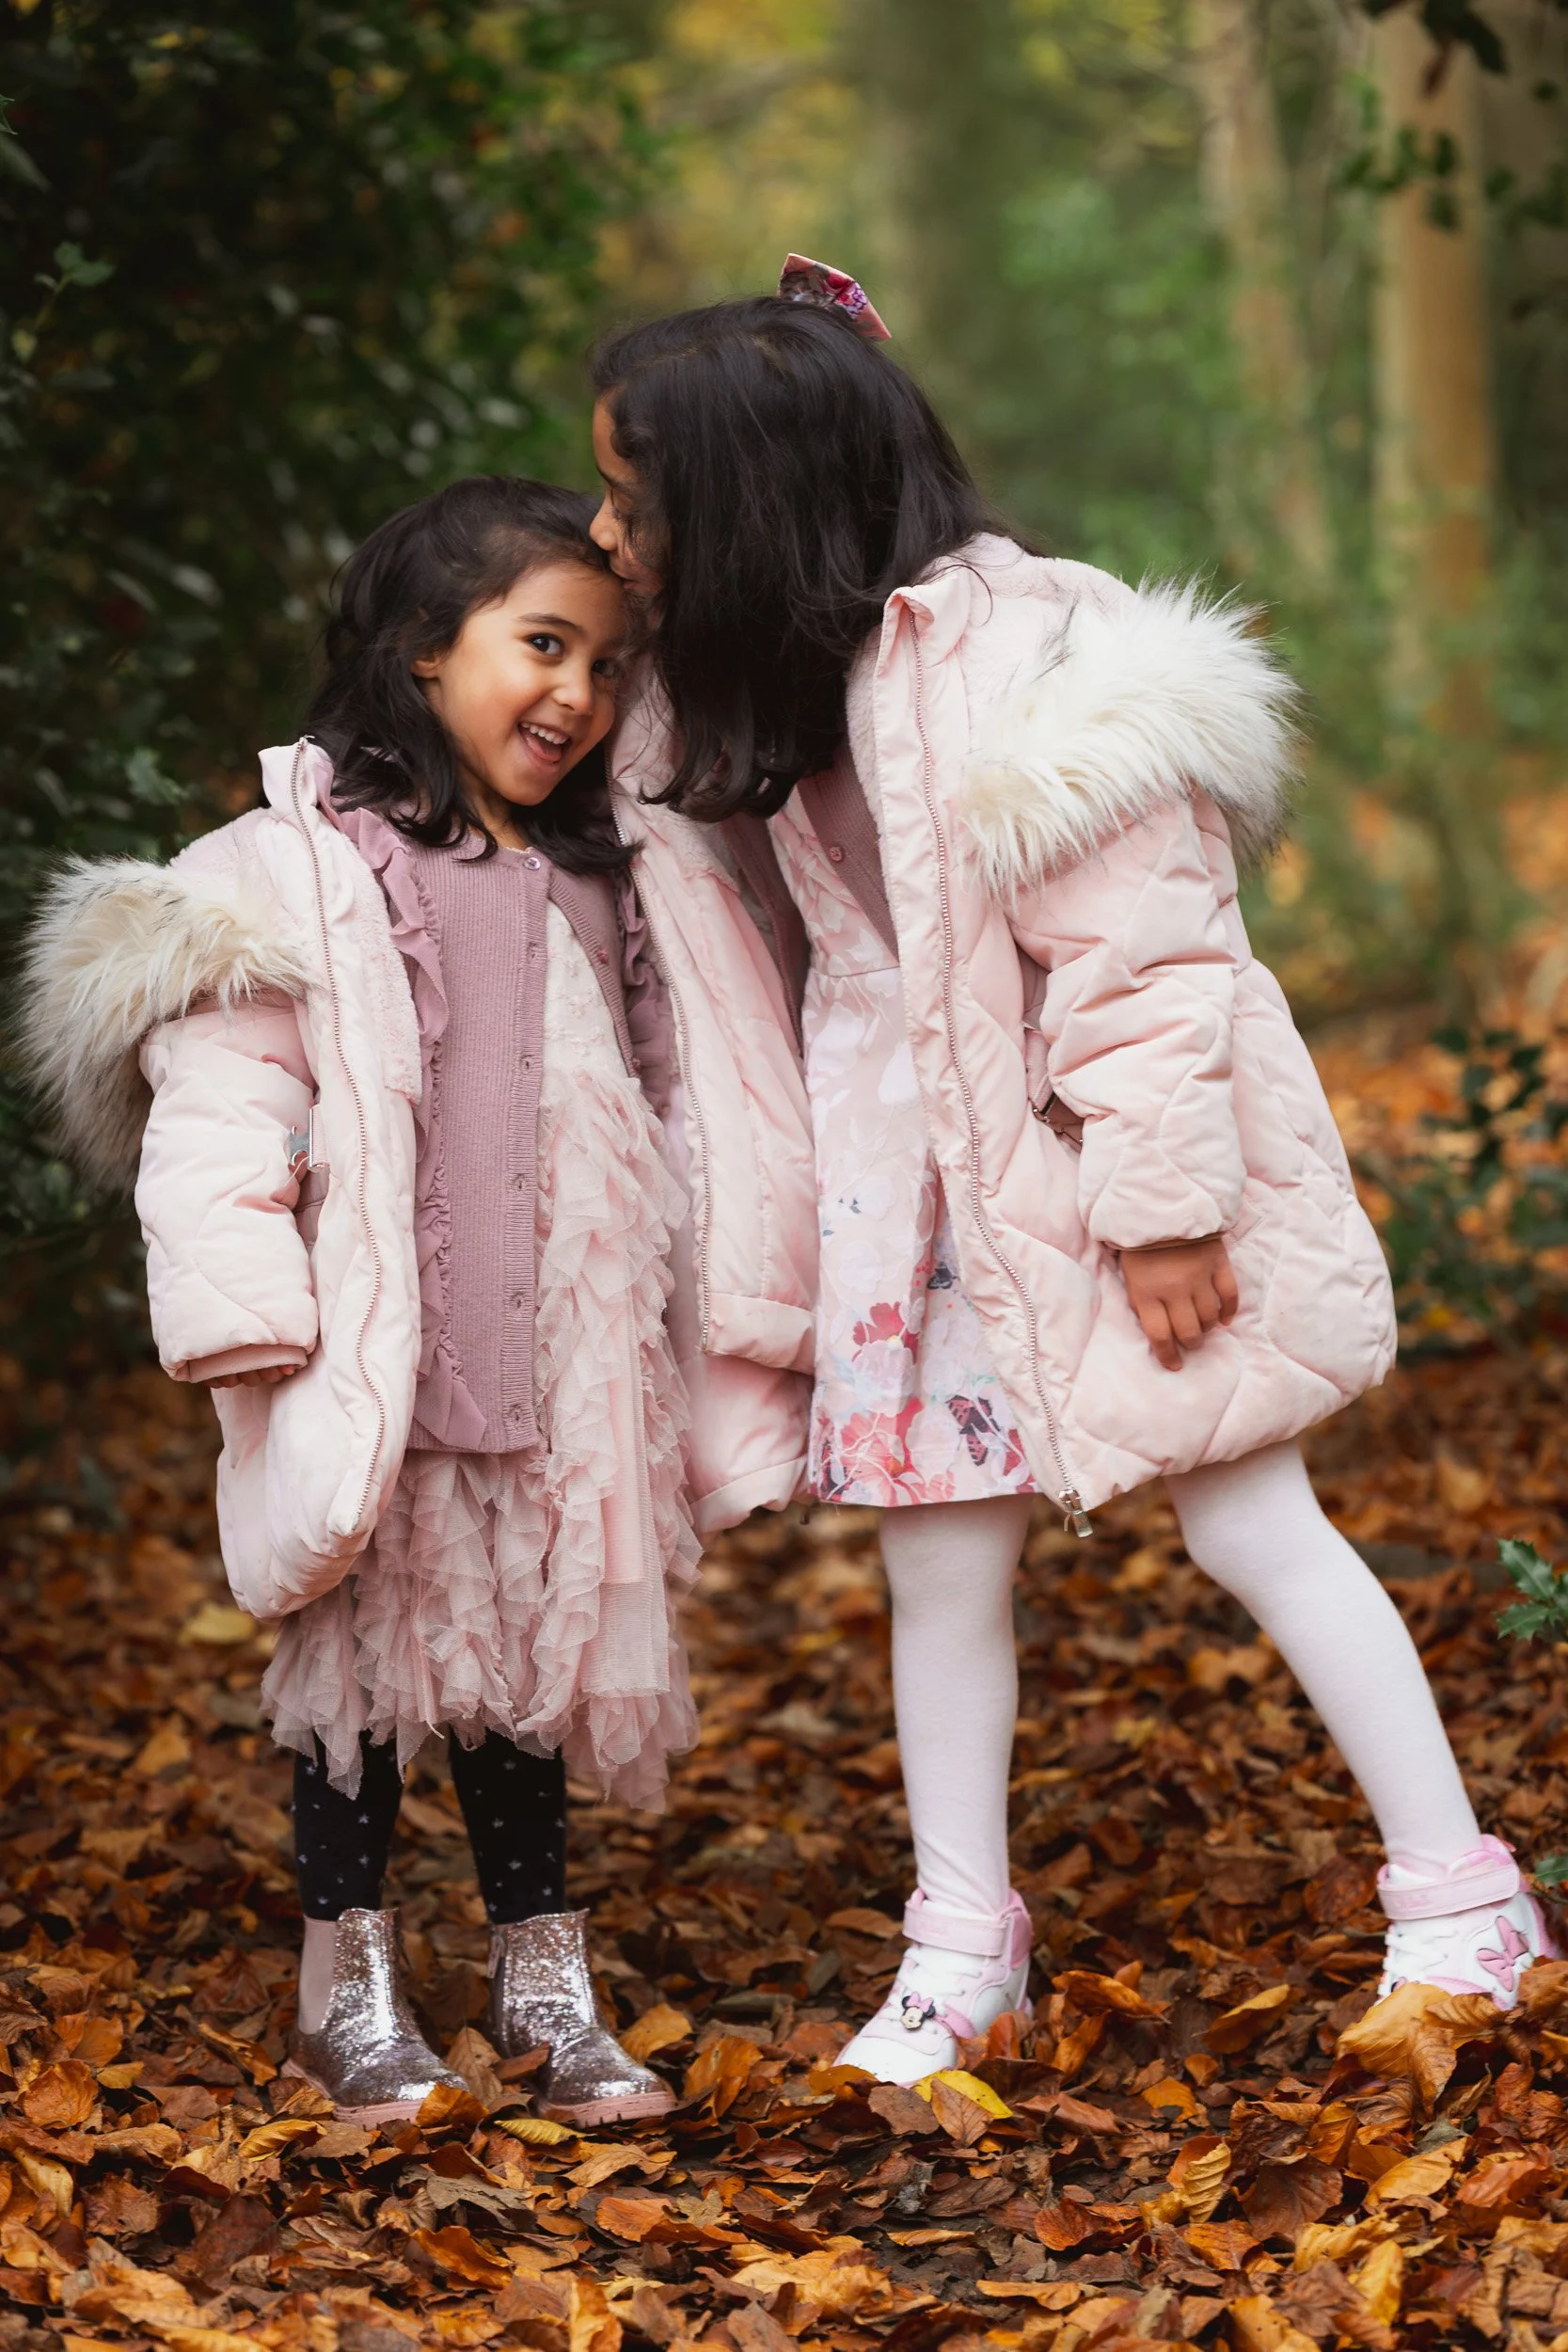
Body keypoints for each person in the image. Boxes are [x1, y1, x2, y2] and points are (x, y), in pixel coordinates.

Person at [585, 262, 1555, 2086]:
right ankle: (962, 1947)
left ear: (744, 503)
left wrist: (1165, 1201)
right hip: (898, 1178)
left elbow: (1144, 953)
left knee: (1246, 1508)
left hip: (1087, 1154)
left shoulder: (1027, 656)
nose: (603, 530)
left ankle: (1458, 1897)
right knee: (937, 1559)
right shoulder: (734, 692)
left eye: (633, 499)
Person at [22, 476, 815, 2123]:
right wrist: (244, 1305)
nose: (578, 696)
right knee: (368, 1668)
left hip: (564, 1345)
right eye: (542, 646)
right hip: (377, 1337)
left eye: (607, 664)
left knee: (524, 1658)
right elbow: (224, 1096)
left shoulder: (615, 871)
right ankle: (349, 1976)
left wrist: (724, 1304)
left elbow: (691, 1089)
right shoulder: (303, 868)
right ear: (418, 651)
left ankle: (541, 1971)